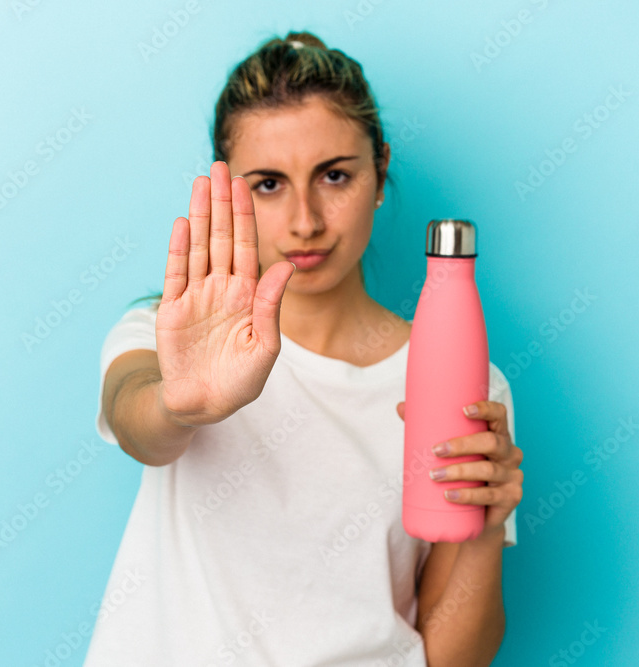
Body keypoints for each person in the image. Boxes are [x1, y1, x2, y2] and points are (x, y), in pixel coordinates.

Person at [83, 31, 524, 667]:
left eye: (335, 176)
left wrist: (483, 533)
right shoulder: (171, 336)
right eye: (267, 184)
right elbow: (139, 425)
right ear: (228, 190)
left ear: (380, 173)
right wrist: (179, 405)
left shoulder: (464, 382)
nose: (306, 221)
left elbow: (452, 658)